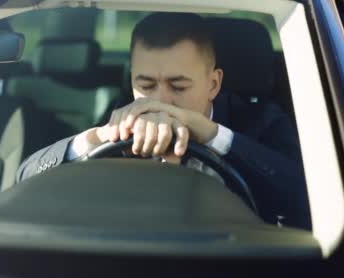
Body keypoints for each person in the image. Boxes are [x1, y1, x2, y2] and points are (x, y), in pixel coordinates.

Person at [16, 12, 311, 230]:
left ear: (213, 84)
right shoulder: (121, 123)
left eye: (178, 86)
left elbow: (309, 202)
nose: (161, 101)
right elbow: (25, 179)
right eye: (145, 85)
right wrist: (95, 139)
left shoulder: (262, 122)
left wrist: (211, 135)